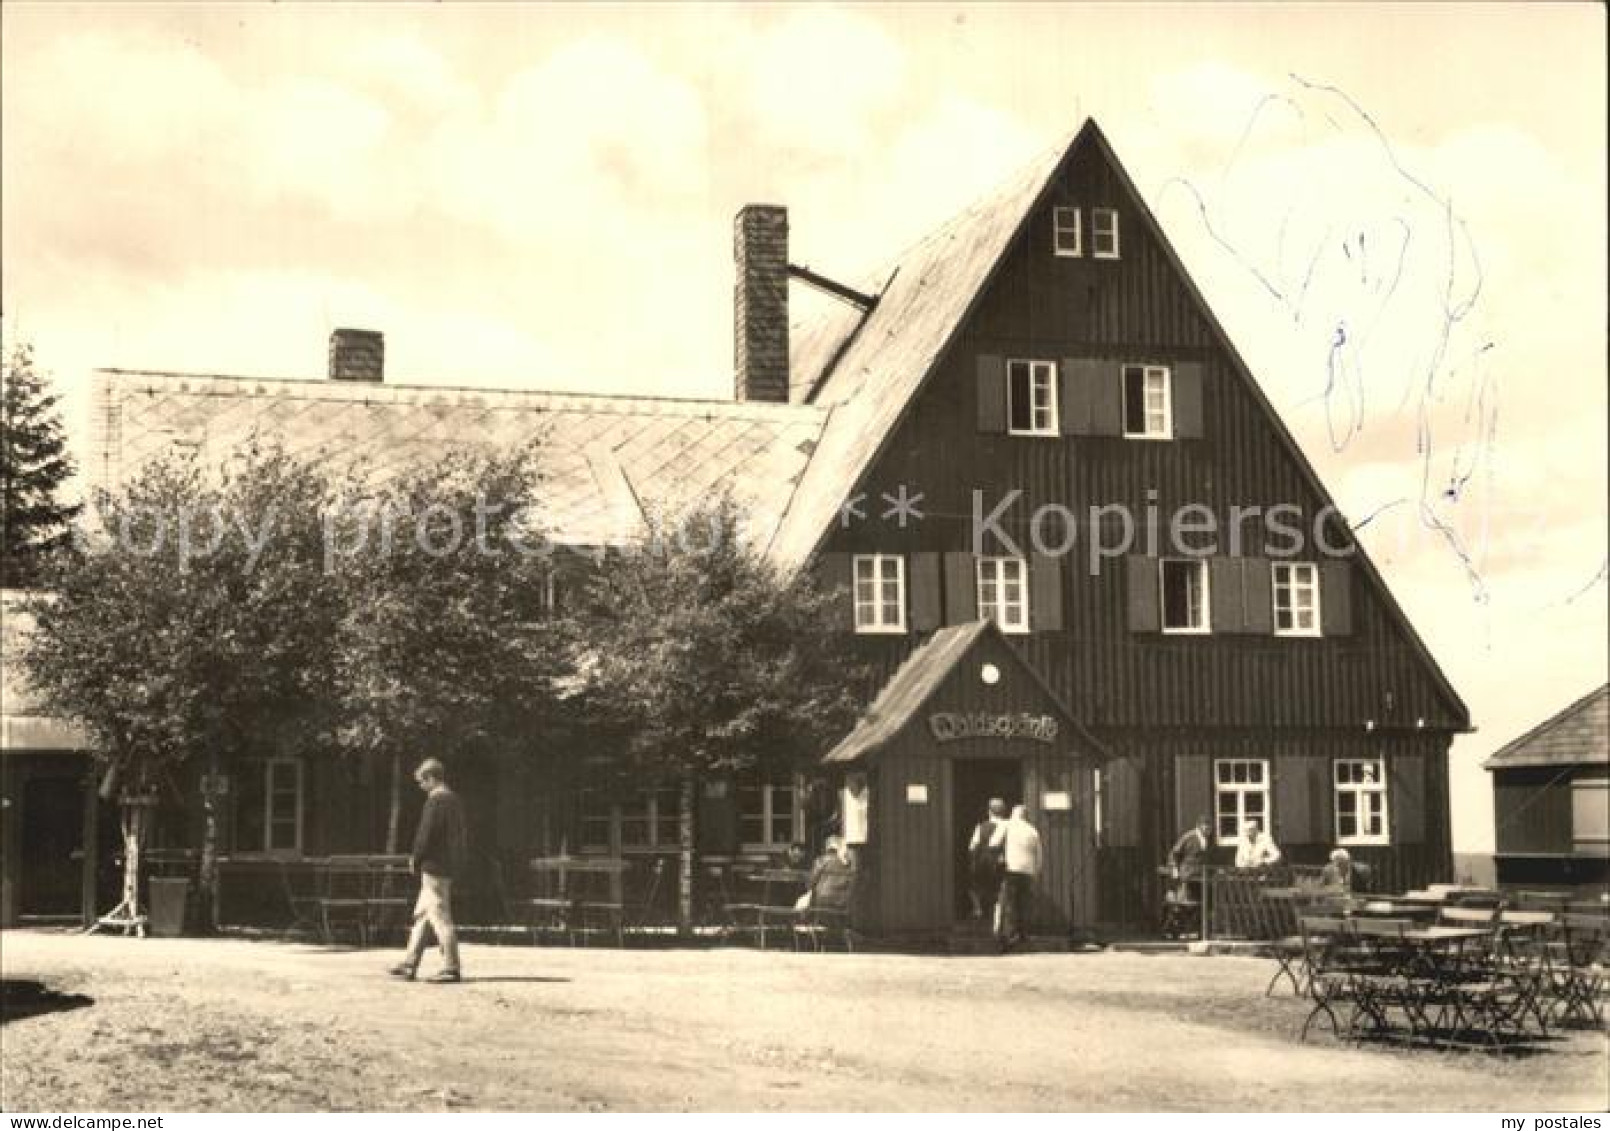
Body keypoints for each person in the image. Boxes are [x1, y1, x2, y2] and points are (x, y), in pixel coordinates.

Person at [389, 758, 468, 983]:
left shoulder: (436, 801)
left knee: (441, 916)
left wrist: (416, 857)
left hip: (434, 866)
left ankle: (451, 967)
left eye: (422, 782)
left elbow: (425, 835)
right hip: (448, 865)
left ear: (431, 778)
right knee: (424, 915)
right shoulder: (454, 800)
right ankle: (409, 963)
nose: (420, 787)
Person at [990, 804, 1043, 948]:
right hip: (1028, 871)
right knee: (1024, 903)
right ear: (1026, 816)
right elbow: (1039, 855)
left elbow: (993, 843)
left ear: (1014, 814)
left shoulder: (1007, 824)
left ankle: (1009, 935)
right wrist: (1036, 872)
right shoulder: (1033, 830)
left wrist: (1001, 855)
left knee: (1009, 902)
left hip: (1011, 868)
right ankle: (1023, 934)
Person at [966, 798, 1009, 922]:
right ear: (1004, 811)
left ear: (989, 811)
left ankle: (978, 909)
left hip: (984, 862)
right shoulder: (1008, 825)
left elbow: (972, 846)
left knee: (974, 886)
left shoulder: (981, 826)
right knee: (1000, 888)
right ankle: (999, 914)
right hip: (1002, 862)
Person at [794, 835, 855, 912]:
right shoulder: (845, 864)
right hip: (841, 901)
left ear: (827, 848)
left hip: (822, 899)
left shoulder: (821, 861)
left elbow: (811, 882)